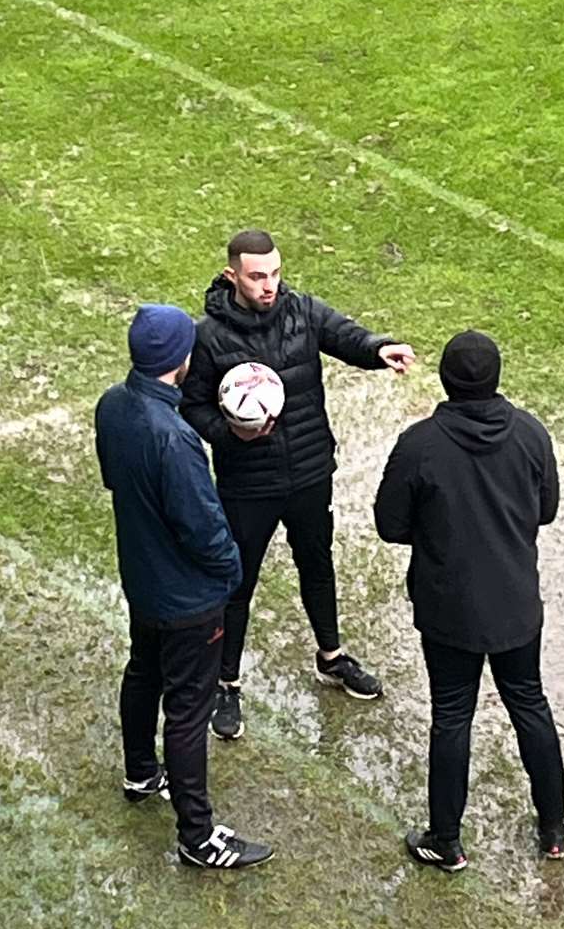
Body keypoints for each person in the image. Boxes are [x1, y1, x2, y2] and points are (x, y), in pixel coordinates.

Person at [180, 229, 415, 740]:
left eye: (275, 274)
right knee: (238, 583)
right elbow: (192, 405)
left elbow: (346, 336)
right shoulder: (208, 337)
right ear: (232, 277)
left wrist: (380, 350)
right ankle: (227, 681)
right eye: (257, 276)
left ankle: (330, 657)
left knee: (318, 565)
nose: (269, 286)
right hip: (248, 483)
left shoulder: (301, 311)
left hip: (309, 472)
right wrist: (233, 434)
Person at [374, 330, 564, 871]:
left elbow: (390, 524)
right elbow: (545, 510)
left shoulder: (420, 444)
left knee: (452, 716)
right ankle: (553, 827)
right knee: (529, 704)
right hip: (515, 603)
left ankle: (446, 839)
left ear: (446, 381)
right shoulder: (531, 434)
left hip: (448, 609)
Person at [94, 303, 274, 870]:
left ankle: (140, 772)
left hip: (144, 583)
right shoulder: (175, 437)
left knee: (142, 671)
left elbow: (111, 479)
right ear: (180, 360)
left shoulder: (112, 406)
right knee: (190, 712)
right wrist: (229, 572)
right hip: (190, 601)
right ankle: (198, 837)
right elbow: (203, 526)